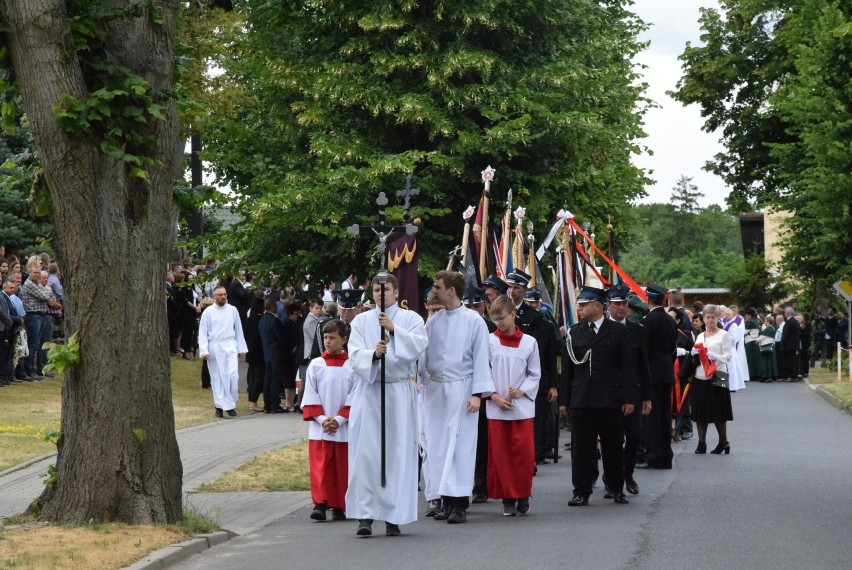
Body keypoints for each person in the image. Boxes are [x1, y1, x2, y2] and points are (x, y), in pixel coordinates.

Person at [346, 273, 428, 537]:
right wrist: (374, 354)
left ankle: (394, 516)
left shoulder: (411, 319)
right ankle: (365, 516)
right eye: (377, 290)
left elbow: (418, 346)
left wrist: (394, 330)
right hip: (370, 392)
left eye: (387, 289)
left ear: (396, 291)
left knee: (396, 454)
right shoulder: (361, 320)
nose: (382, 294)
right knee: (367, 455)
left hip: (398, 393)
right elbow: (354, 353)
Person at [419, 270, 493, 524]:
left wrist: (477, 394)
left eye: (438, 286)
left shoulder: (474, 321)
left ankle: (459, 502)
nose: (434, 290)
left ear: (451, 290)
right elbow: (423, 357)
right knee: (438, 445)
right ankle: (443, 498)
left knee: (460, 446)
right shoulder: (433, 321)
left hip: (462, 388)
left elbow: (482, 358)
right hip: (436, 390)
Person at [559, 286, 637, 506]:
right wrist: (564, 400)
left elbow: (627, 368)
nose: (580, 308)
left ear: (598, 306)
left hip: (610, 398)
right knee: (581, 448)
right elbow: (568, 370)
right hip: (581, 398)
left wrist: (629, 398)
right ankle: (581, 491)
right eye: (579, 304)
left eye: (584, 304)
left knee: (613, 446)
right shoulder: (575, 331)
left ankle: (615, 487)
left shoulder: (618, 331)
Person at [484, 296, 540, 516]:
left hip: (522, 407)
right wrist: (494, 396)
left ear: (513, 314)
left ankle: (523, 494)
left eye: (502, 318)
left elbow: (535, 373)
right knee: (501, 456)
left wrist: (523, 390)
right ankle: (507, 498)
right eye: (494, 318)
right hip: (497, 408)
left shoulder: (529, 342)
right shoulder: (489, 341)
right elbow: (483, 371)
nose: (498, 322)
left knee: (523, 455)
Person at [302, 319, 357, 522]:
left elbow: (355, 395)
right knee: (321, 466)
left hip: (343, 428)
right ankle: (320, 503)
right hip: (320, 428)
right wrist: (323, 419)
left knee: (341, 468)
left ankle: (339, 505)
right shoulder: (316, 365)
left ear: (343, 339)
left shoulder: (352, 366)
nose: (328, 341)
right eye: (325, 337)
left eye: (332, 338)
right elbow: (310, 394)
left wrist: (341, 419)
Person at [505, 269, 559, 465]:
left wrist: (553, 384)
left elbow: (549, 354)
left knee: (533, 421)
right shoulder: (501, 312)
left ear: (524, 289)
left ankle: (531, 458)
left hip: (534, 380)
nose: (512, 291)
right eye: (509, 286)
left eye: (516, 287)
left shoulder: (536, 319)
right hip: (507, 379)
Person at [606, 286, 652, 496]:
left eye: (624, 304)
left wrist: (647, 397)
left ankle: (627, 473)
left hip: (633, 392)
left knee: (634, 436)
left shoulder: (637, 330)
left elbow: (644, 365)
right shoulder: (603, 328)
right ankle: (611, 478)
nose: (621, 308)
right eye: (617, 304)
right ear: (609, 305)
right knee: (612, 440)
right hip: (609, 393)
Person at [639, 283, 678, 470]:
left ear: (648, 299)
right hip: (666, 371)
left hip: (652, 373)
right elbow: (672, 348)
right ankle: (666, 455)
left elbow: (643, 351)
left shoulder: (647, 322)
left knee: (652, 418)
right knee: (664, 414)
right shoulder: (671, 320)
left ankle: (654, 455)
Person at [690, 304, 734, 455]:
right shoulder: (700, 335)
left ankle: (723, 441)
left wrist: (716, 357)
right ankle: (701, 443)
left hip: (718, 375)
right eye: (707, 317)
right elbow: (696, 354)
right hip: (700, 375)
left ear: (718, 318)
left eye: (713, 317)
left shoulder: (724, 335)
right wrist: (693, 352)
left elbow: (728, 356)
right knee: (700, 411)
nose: (710, 320)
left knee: (719, 411)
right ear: (703, 319)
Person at [199, 285, 247, 418]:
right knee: (217, 378)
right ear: (215, 296)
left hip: (230, 345)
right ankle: (220, 406)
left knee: (232, 375)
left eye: (225, 294)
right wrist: (204, 350)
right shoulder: (208, 312)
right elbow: (202, 332)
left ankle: (230, 402)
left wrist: (241, 348)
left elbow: (238, 329)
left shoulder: (233, 310)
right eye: (220, 295)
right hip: (215, 346)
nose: (223, 297)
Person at [258, 296, 290, 414]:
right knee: (275, 379)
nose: (277, 308)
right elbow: (281, 337)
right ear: (271, 307)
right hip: (276, 352)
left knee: (268, 378)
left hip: (267, 351)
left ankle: (267, 404)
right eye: (275, 306)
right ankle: (274, 404)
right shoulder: (274, 321)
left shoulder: (262, 320)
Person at [244, 293, 267, 412]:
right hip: (259, 351)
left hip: (250, 351)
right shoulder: (261, 320)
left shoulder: (249, 320)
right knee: (259, 376)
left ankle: (252, 399)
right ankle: (254, 400)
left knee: (252, 375)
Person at [778, 307, 801, 381]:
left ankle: (791, 376)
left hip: (789, 345)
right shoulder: (795, 321)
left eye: (785, 313)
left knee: (790, 361)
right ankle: (794, 375)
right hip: (795, 344)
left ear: (788, 313)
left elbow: (785, 334)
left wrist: (782, 345)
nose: (784, 315)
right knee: (793, 360)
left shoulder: (789, 322)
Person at [756, 316, 778, 382]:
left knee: (766, 362)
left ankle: (766, 376)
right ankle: (769, 376)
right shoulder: (770, 328)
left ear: (769, 322)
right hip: (768, 346)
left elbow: (762, 337)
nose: (764, 322)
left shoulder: (769, 329)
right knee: (769, 362)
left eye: (766, 321)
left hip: (766, 346)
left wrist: (757, 340)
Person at [743, 308, 761, 379]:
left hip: (749, 342)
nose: (746, 317)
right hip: (755, 341)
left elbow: (745, 332)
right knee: (755, 359)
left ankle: (751, 375)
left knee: (750, 359)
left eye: (746, 315)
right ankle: (756, 374)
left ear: (749, 315)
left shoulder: (749, 322)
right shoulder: (757, 321)